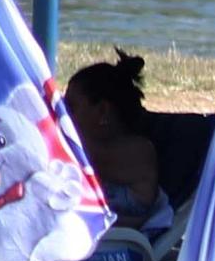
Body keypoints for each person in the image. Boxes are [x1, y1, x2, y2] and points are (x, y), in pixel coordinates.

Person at [63, 50, 175, 234]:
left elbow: (74, 154)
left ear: (102, 111)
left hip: (115, 247)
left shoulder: (139, 152)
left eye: (70, 107)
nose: (64, 114)